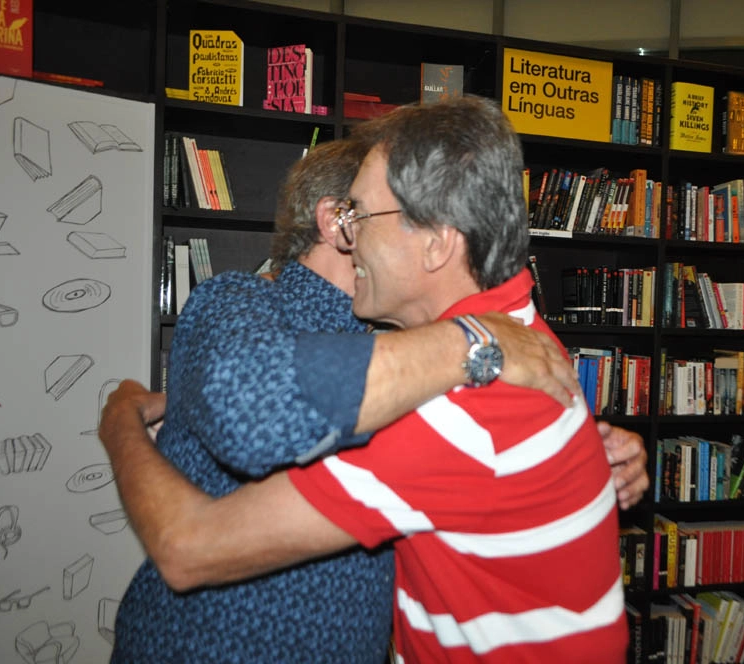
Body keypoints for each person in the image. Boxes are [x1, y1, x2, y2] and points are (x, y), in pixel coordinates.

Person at [101, 124, 648, 661]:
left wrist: (575, 458)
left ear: (434, 241)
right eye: (353, 215)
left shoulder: (459, 371)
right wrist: (471, 340)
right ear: (333, 223)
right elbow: (252, 416)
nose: (356, 230)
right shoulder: (243, 305)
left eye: (365, 214)